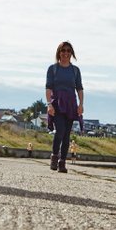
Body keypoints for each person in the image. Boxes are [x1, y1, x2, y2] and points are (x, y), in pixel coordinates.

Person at [45, 41, 84, 173]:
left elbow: (79, 88)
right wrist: (49, 104)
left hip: (70, 104)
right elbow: (48, 88)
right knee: (60, 131)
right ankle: (54, 157)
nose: (66, 53)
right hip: (57, 104)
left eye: (68, 50)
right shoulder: (53, 69)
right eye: (63, 50)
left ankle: (62, 162)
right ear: (59, 52)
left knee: (66, 135)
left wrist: (81, 104)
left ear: (71, 53)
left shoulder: (75, 70)